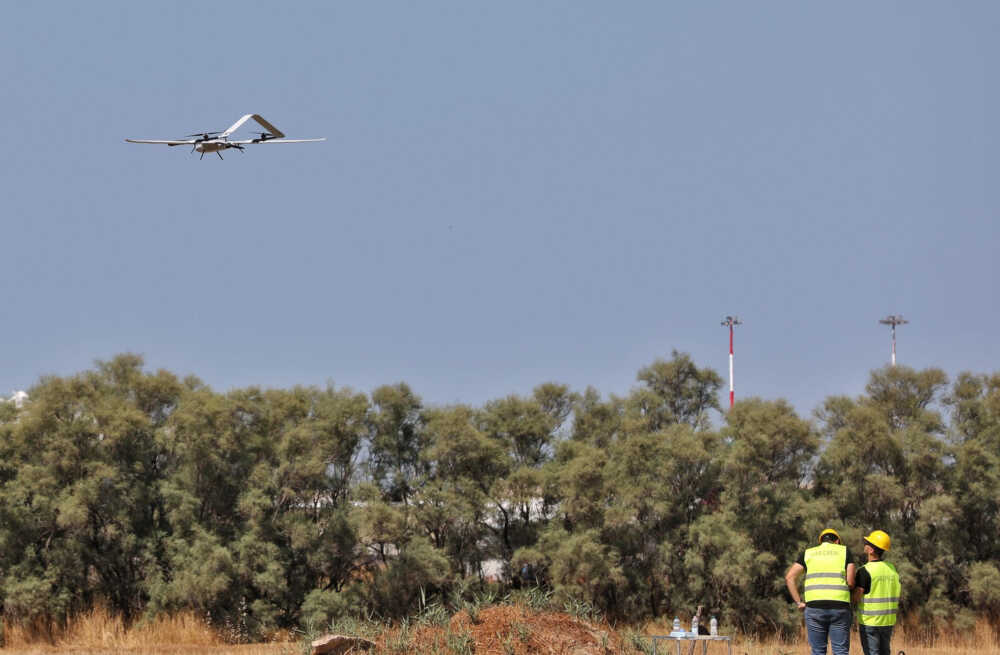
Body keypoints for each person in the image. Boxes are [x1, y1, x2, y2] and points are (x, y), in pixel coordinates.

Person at [785, 528, 856, 655]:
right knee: (840, 651)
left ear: (821, 541)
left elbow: (789, 577)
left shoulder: (808, 553)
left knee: (818, 651)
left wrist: (799, 602)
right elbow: (850, 582)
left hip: (814, 607)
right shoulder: (844, 551)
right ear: (837, 541)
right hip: (839, 607)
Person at [852, 530, 900, 655]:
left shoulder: (864, 570)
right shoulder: (892, 568)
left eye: (867, 543)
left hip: (870, 622)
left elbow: (857, 597)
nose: (865, 544)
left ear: (871, 550)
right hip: (888, 621)